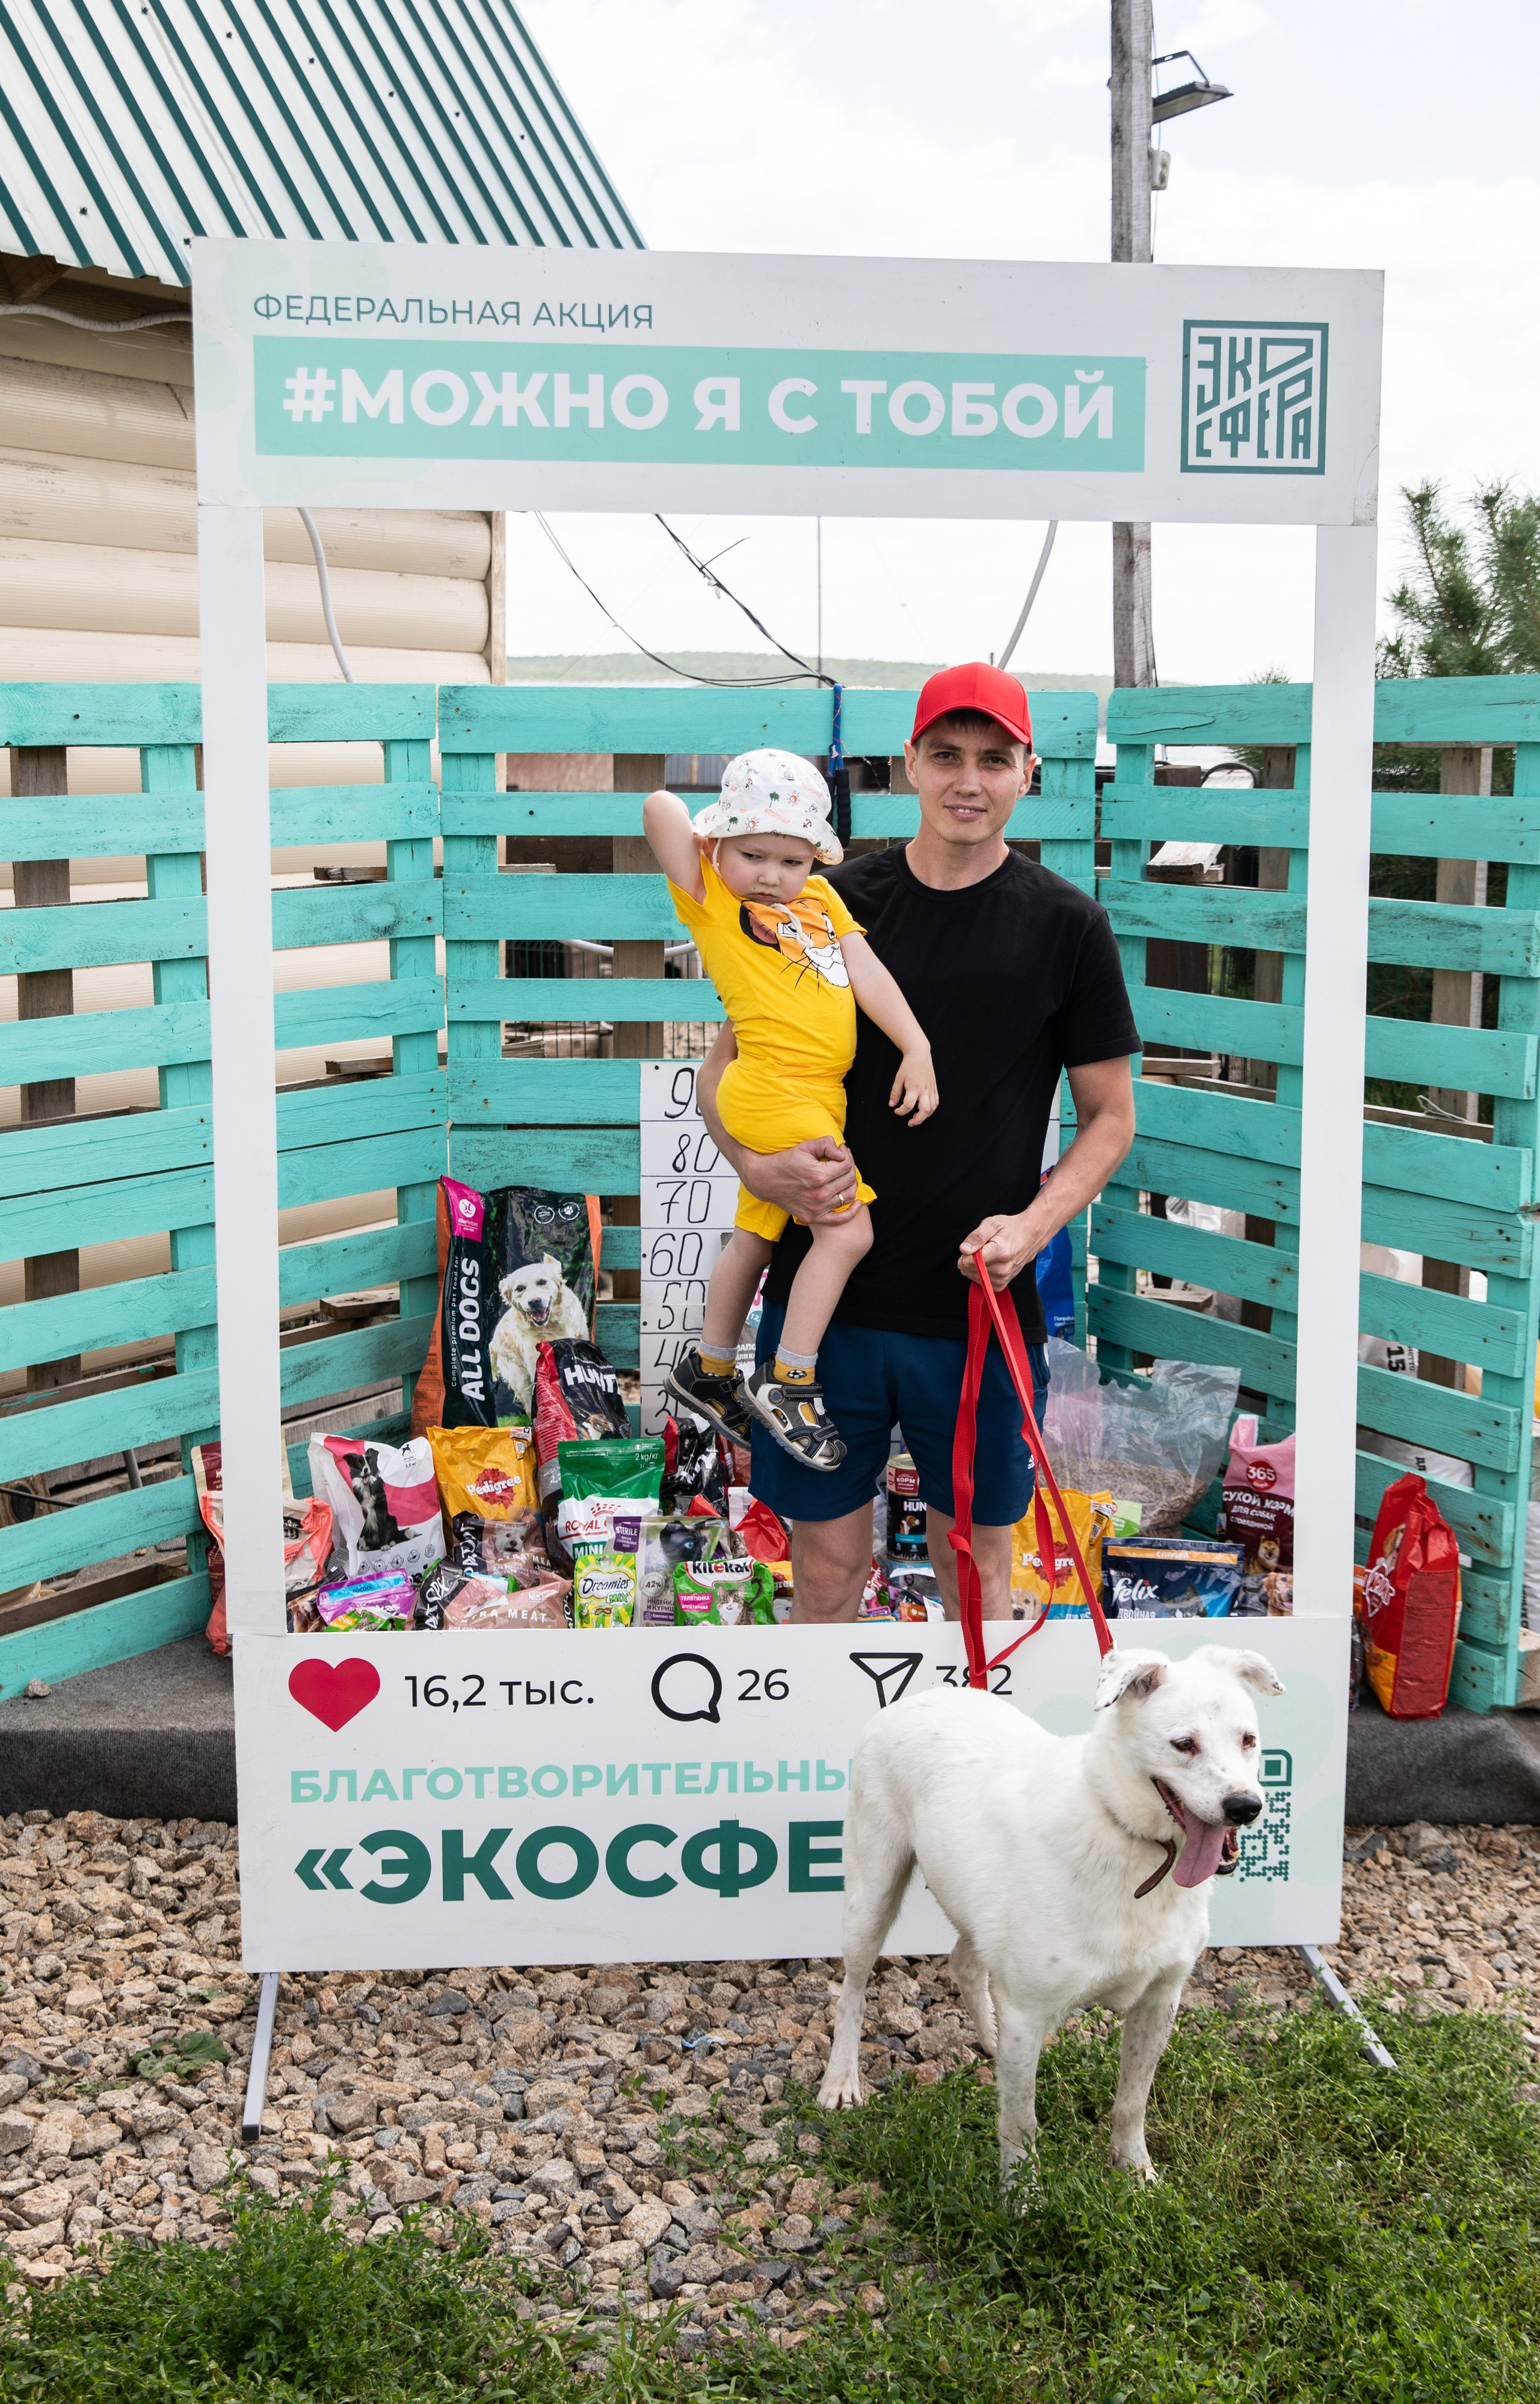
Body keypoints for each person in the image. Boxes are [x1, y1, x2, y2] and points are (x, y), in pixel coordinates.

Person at [697, 663, 1140, 1625]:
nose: (968, 780)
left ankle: (977, 1769)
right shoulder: (820, 901)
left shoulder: (1068, 924)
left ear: (1030, 771)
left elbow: (1112, 1116)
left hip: (976, 1303)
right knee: (824, 1566)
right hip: (831, 1306)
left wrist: (1032, 1225)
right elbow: (720, 1072)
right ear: (910, 765)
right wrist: (753, 1164)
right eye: (946, 755)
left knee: (978, 1560)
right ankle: (835, 1767)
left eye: (993, 758)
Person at [642, 750, 938, 1470]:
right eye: (755, 854)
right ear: (720, 847)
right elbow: (658, 807)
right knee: (846, 1234)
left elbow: (866, 972)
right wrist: (714, 845)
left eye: (791, 858)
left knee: (758, 1236)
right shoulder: (713, 898)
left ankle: (709, 1369)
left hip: (817, 1096)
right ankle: (790, 1379)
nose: (772, 875)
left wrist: (916, 1044)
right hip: (772, 1086)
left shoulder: (820, 901)